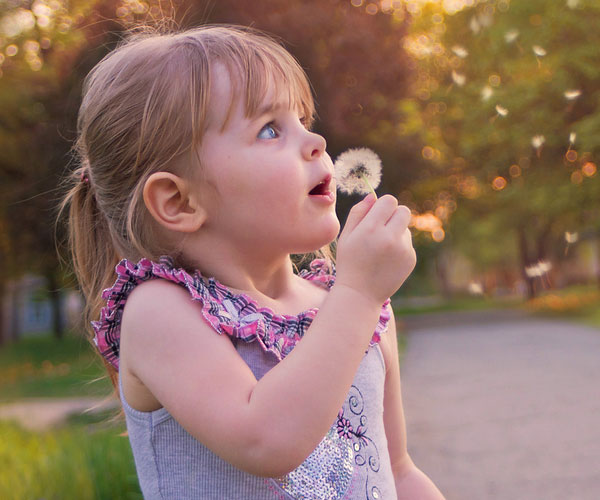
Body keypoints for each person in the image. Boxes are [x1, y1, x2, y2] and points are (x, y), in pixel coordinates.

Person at [60, 24, 445, 500]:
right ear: (179, 202)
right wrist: (359, 293)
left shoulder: (353, 310)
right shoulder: (160, 312)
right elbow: (267, 440)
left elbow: (398, 471)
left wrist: (359, 298)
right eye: (269, 129)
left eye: (303, 119)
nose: (316, 141)